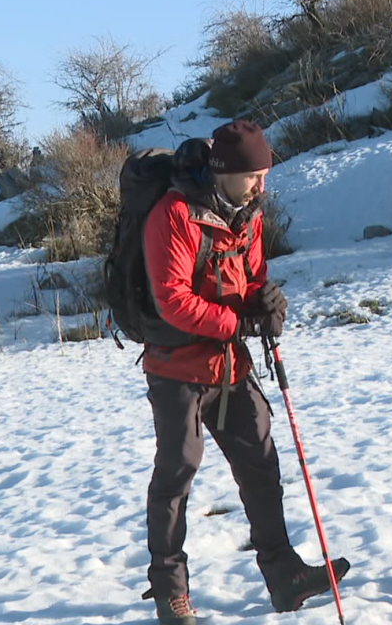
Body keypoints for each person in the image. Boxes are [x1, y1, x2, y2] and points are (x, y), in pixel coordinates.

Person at [141, 120, 349, 624]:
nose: (262, 186)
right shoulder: (173, 214)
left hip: (231, 365)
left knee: (261, 463)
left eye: (264, 174)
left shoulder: (248, 214)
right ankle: (170, 590)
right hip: (178, 369)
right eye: (253, 176)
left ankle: (285, 577)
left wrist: (266, 301)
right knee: (177, 475)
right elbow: (172, 300)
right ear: (223, 172)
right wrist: (238, 321)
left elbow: (252, 276)